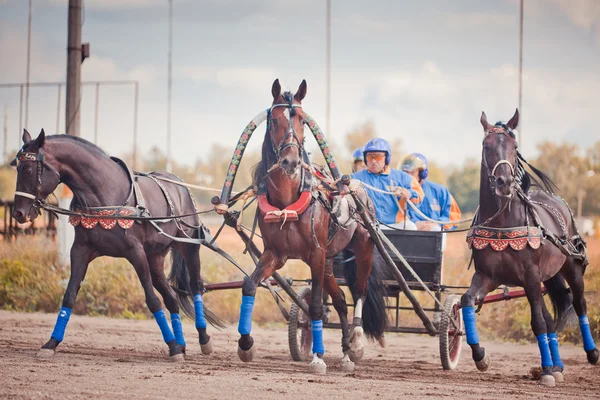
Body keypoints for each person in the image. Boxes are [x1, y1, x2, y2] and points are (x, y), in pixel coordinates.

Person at [352, 138, 424, 229]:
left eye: (377, 157)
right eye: (370, 157)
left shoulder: (403, 177)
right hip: (368, 226)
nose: (373, 161)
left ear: (387, 158)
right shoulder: (355, 178)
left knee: (411, 227)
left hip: (397, 225)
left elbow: (420, 196)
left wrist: (409, 193)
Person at [400, 153, 462, 231]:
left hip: (435, 234)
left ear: (422, 173)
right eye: (405, 173)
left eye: (412, 173)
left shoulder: (440, 191)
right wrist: (414, 223)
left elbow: (454, 217)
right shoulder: (398, 192)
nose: (407, 177)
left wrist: (436, 224)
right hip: (407, 234)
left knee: (436, 229)